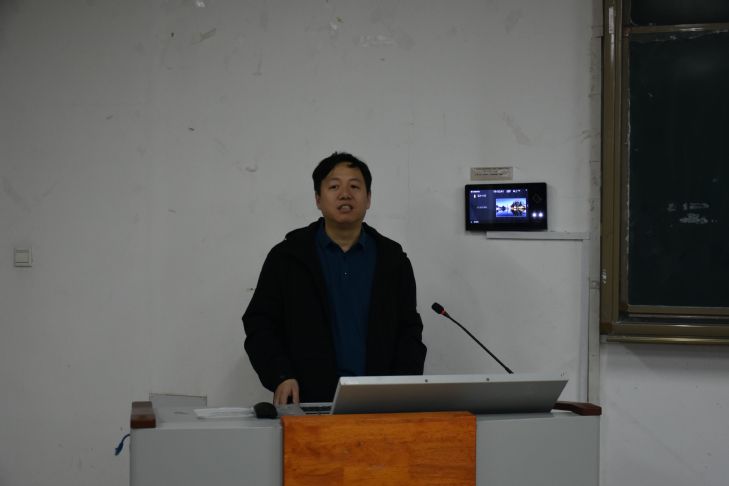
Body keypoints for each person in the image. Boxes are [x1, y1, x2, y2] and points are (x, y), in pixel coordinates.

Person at [243, 152, 427, 404]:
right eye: (334, 186)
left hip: (378, 403)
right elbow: (260, 324)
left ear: (368, 198)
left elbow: (409, 331)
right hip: (307, 402)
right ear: (318, 199)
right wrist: (280, 375)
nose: (345, 194)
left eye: (354, 186)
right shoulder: (287, 257)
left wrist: (401, 386)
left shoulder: (392, 260)